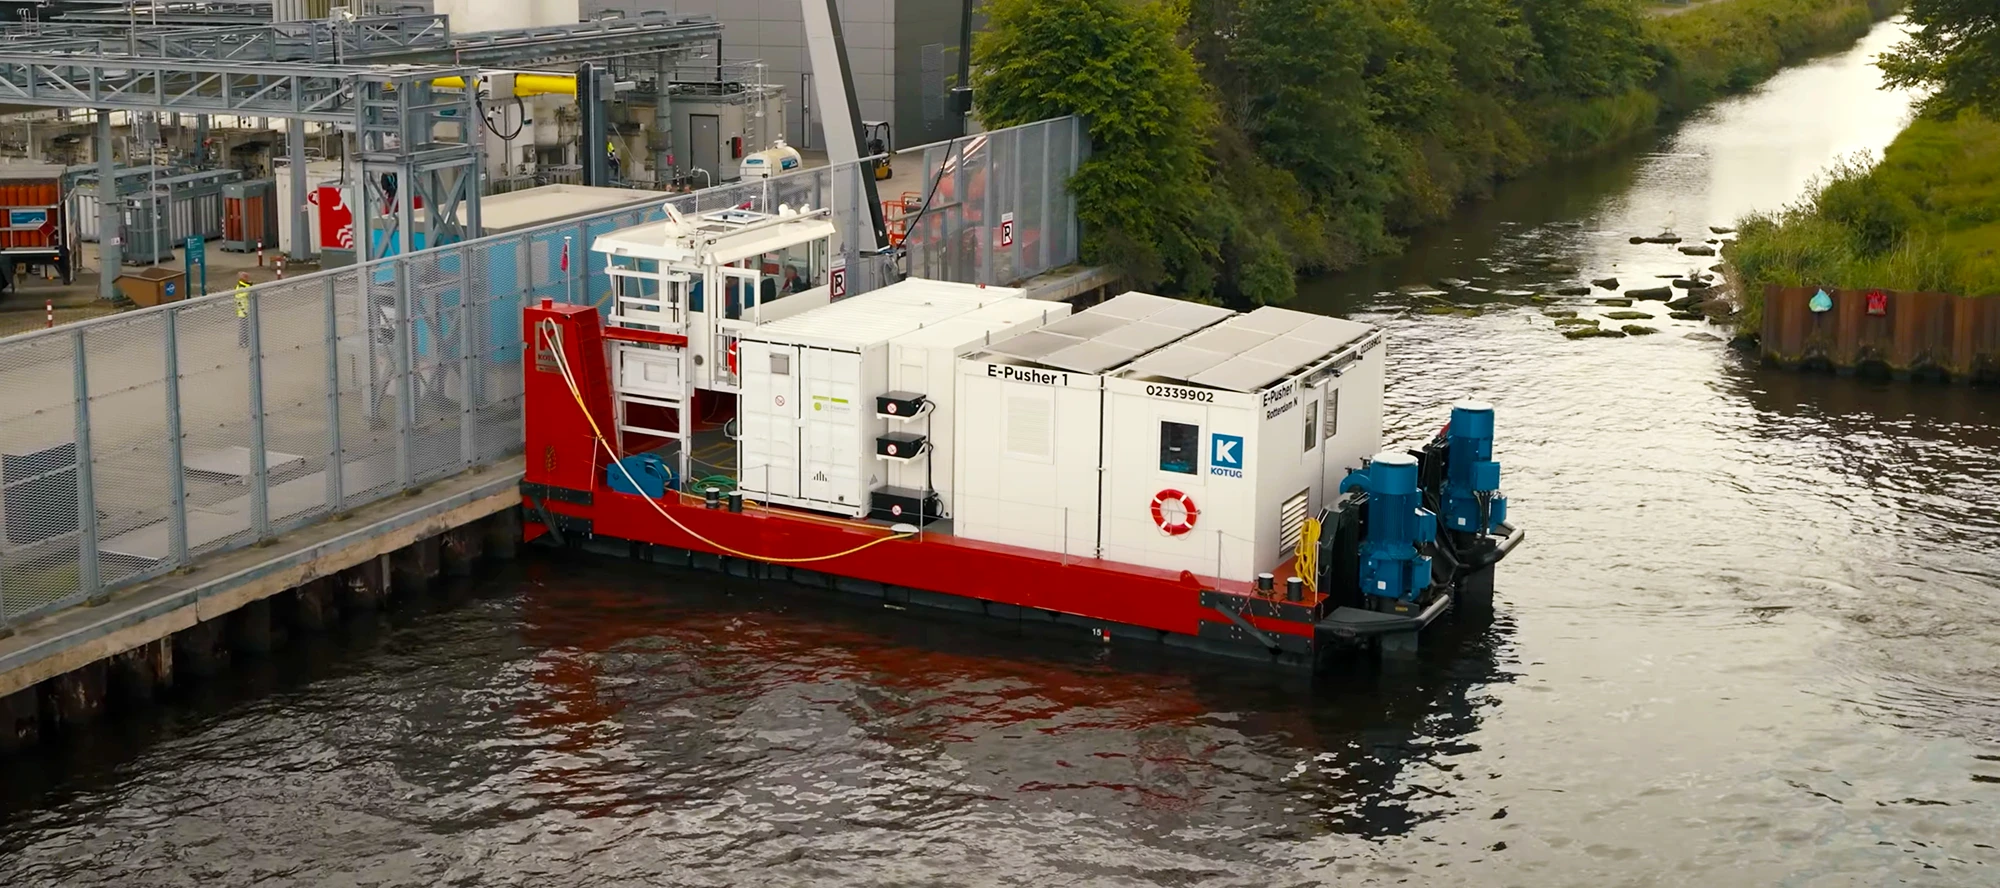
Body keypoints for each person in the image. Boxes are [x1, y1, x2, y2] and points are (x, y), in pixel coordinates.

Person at [234, 272, 252, 348]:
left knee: (246, 326)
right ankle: (243, 342)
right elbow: (241, 296)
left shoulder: (245, 285)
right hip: (243, 310)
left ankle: (245, 341)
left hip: (246, 309)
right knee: (243, 327)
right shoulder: (241, 287)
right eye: (247, 277)